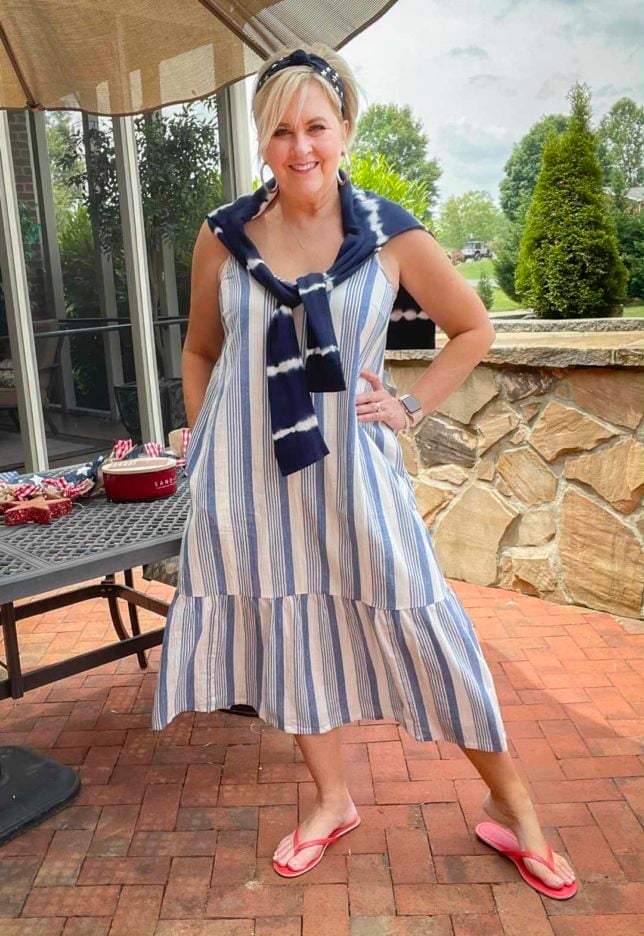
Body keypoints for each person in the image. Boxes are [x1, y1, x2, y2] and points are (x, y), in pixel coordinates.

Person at [152, 44, 576, 898]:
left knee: (424, 617)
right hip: (250, 480)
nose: (299, 146)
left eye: (316, 125)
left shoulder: (389, 234)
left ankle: (515, 808)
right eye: (281, 130)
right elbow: (201, 350)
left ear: (344, 129)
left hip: (353, 470)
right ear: (261, 140)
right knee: (291, 633)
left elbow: (474, 329)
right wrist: (209, 442)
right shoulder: (224, 235)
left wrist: (412, 407)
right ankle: (331, 801)